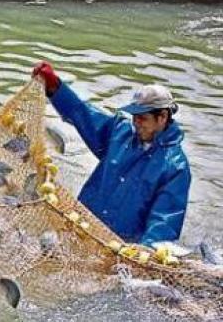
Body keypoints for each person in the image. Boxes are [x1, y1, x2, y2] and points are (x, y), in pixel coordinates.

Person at [32, 61, 191, 247]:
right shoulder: (120, 132)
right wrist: (56, 88)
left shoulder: (175, 167)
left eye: (142, 118)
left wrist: (145, 251)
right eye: (134, 117)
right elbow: (83, 114)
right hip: (81, 226)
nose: (136, 123)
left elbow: (164, 221)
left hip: (118, 246)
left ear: (162, 117)